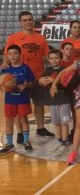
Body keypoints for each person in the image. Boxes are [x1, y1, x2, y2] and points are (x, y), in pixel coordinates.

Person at [2, 11, 52, 139]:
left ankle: (40, 128)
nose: (28, 22)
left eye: (30, 19)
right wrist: (4, 65)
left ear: (33, 20)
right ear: (20, 22)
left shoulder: (40, 38)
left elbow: (47, 57)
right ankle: (19, 132)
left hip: (37, 76)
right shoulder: (13, 37)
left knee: (39, 104)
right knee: (19, 107)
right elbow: (8, 56)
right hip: (19, 78)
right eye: (24, 20)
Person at [0, 45, 35, 154]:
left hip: (22, 99)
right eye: (10, 54)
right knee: (9, 121)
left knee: (24, 120)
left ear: (20, 55)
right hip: (9, 100)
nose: (12, 56)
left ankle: (26, 141)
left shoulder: (25, 68)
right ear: (7, 56)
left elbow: (32, 81)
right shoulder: (5, 69)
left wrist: (26, 86)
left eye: (15, 53)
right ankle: (9, 144)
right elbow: (1, 83)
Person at [38, 50, 72, 156]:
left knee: (64, 122)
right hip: (53, 101)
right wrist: (41, 81)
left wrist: (55, 81)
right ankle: (59, 139)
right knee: (56, 122)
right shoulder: (47, 70)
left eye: (56, 58)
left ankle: (64, 141)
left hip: (64, 100)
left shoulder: (65, 70)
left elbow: (67, 84)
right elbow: (42, 82)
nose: (53, 60)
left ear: (61, 59)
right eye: (51, 58)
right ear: (48, 59)